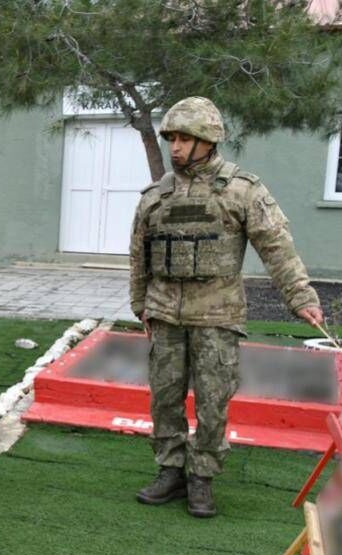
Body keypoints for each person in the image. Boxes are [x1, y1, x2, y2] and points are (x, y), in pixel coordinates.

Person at [129, 96, 324, 518]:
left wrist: (301, 297)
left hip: (217, 316)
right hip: (165, 315)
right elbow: (139, 254)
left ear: (208, 140)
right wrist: (140, 304)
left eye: (184, 139)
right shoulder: (156, 196)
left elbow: (277, 247)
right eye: (172, 139)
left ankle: (202, 477)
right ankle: (170, 470)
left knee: (213, 401)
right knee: (164, 398)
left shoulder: (242, 191)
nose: (175, 148)